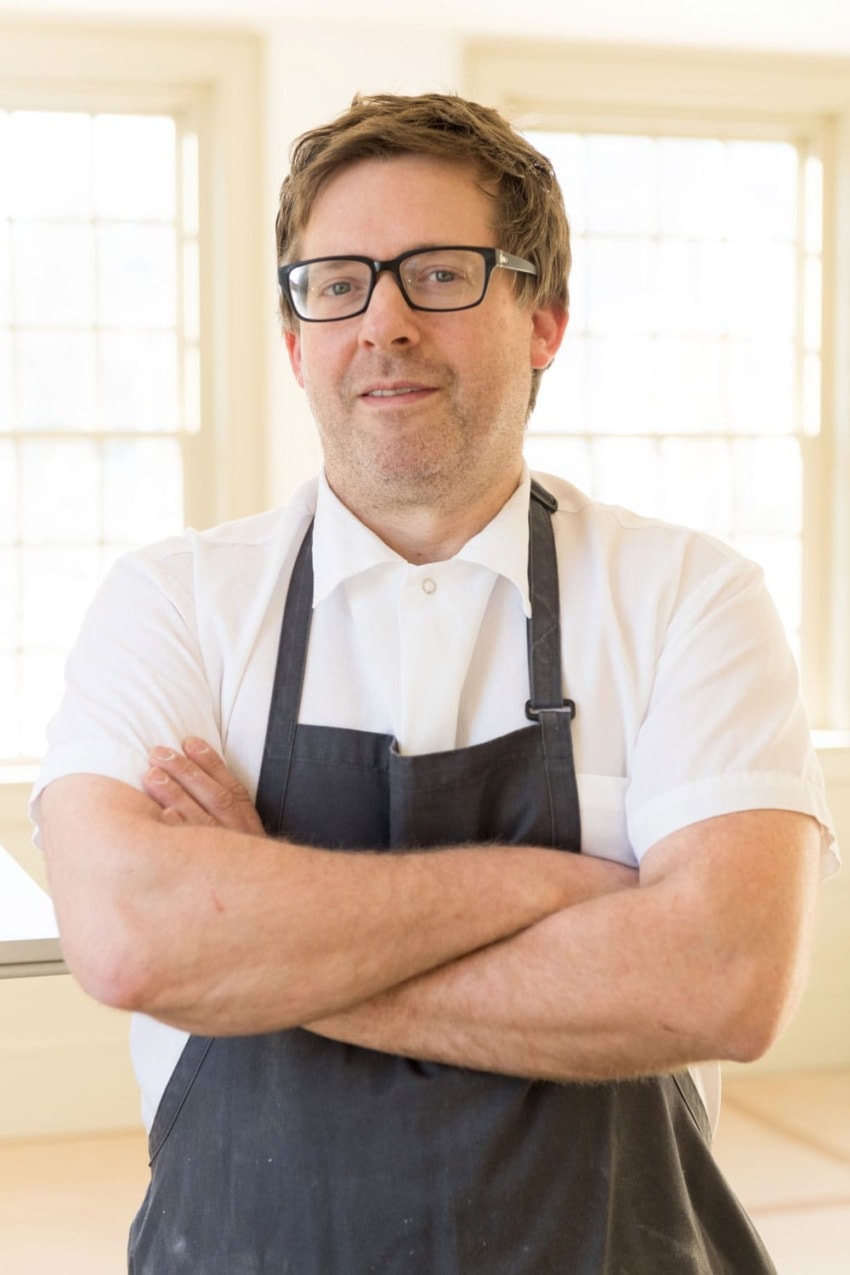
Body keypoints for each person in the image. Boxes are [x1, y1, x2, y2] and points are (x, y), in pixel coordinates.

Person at [33, 92, 837, 1273]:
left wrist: (256, 945)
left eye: (440, 274)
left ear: (544, 317)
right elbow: (132, 945)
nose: (385, 321)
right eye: (337, 282)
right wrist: (556, 890)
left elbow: (722, 980)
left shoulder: (692, 600)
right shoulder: (173, 606)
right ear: (295, 337)